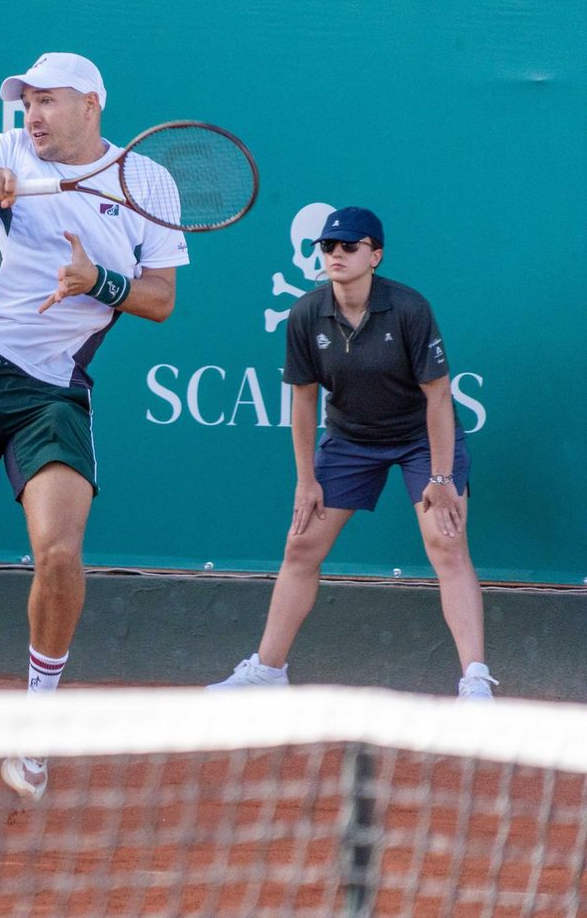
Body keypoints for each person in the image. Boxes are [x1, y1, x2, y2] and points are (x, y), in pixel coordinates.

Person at [0, 52, 189, 801]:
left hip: (53, 391)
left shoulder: (145, 182)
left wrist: (100, 283)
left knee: (58, 553)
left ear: (91, 103)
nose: (31, 114)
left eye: (46, 101)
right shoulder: (8, 153)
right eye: (25, 101)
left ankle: (36, 727)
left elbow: (160, 299)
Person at [208, 206, 495, 700]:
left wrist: (442, 478)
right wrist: (306, 479)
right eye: (328, 247)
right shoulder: (305, 313)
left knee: (446, 543)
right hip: (349, 440)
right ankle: (268, 671)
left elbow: (439, 395)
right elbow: (302, 401)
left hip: (421, 439)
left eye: (349, 246)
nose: (336, 254)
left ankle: (474, 681)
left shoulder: (409, 309)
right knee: (300, 545)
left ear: (374, 255)